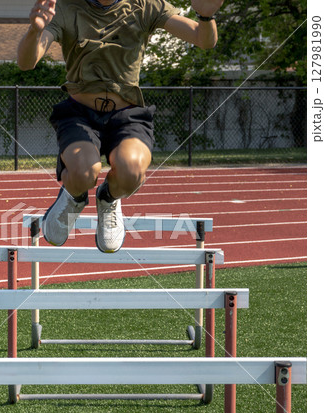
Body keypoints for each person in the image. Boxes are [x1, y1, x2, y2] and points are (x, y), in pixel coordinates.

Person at [18, 0, 223, 252]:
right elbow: (26, 62)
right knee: (84, 171)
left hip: (127, 113)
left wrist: (205, 17)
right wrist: (35, 31)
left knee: (131, 171)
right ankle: (74, 195)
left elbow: (204, 41)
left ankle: (109, 198)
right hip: (80, 113)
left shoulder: (146, 5)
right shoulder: (65, 7)